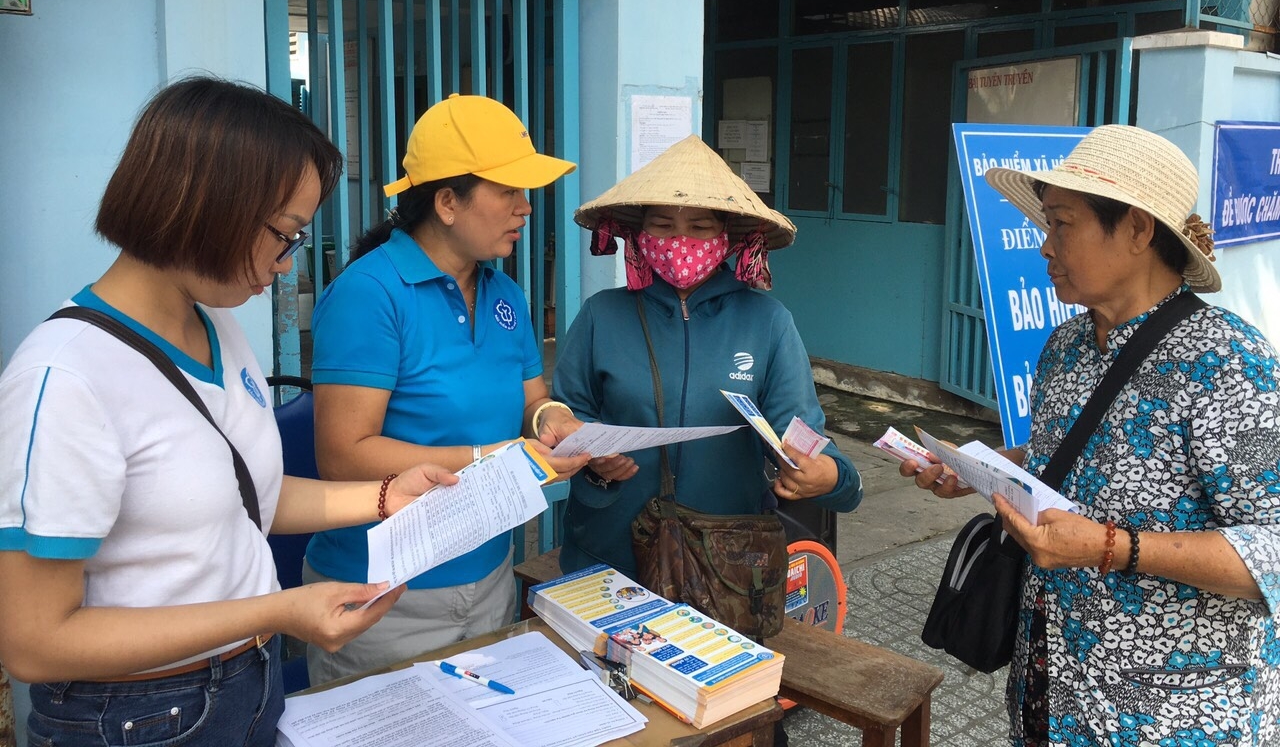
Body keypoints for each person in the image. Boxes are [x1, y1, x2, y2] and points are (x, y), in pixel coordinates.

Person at [0, 78, 459, 747]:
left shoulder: (218, 328)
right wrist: (282, 609)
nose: (285, 262)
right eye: (283, 234)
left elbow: (248, 496)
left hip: (246, 680)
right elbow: (35, 643)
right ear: (206, 206)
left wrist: (386, 496)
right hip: (136, 716)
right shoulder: (66, 377)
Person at [902, 124, 1280, 746]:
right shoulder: (1066, 348)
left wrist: (1110, 547)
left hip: (1175, 718)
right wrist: (982, 466)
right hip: (1050, 695)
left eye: (1062, 224)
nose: (1044, 247)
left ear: (1136, 229)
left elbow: (1270, 548)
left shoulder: (1231, 362)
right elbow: (1066, 456)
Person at [302, 93, 591, 685]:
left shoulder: (504, 294)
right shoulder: (370, 295)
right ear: (447, 202)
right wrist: (491, 458)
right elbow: (343, 453)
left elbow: (533, 398)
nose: (526, 208)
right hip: (384, 594)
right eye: (508, 191)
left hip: (486, 572)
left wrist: (554, 422)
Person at [536, 135, 863, 580]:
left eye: (701, 227)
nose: (680, 240)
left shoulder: (767, 321)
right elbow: (567, 419)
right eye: (663, 225)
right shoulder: (600, 315)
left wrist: (831, 476)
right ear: (639, 233)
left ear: (726, 237)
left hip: (725, 563)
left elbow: (801, 437)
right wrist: (594, 464)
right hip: (606, 555)